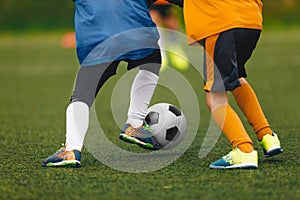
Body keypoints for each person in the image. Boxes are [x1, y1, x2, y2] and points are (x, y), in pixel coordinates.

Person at [42, 0, 163, 167]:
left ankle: (72, 149)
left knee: (82, 95)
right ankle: (135, 123)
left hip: (98, 42)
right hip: (137, 35)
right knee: (153, 60)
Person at [166, 0, 283, 169]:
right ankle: (267, 136)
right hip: (250, 20)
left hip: (220, 23)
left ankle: (244, 150)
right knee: (237, 79)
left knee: (215, 98)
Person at [149, 0, 189, 71]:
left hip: (166, 2)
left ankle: (174, 47)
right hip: (152, 3)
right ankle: (161, 51)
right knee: (154, 20)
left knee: (171, 23)